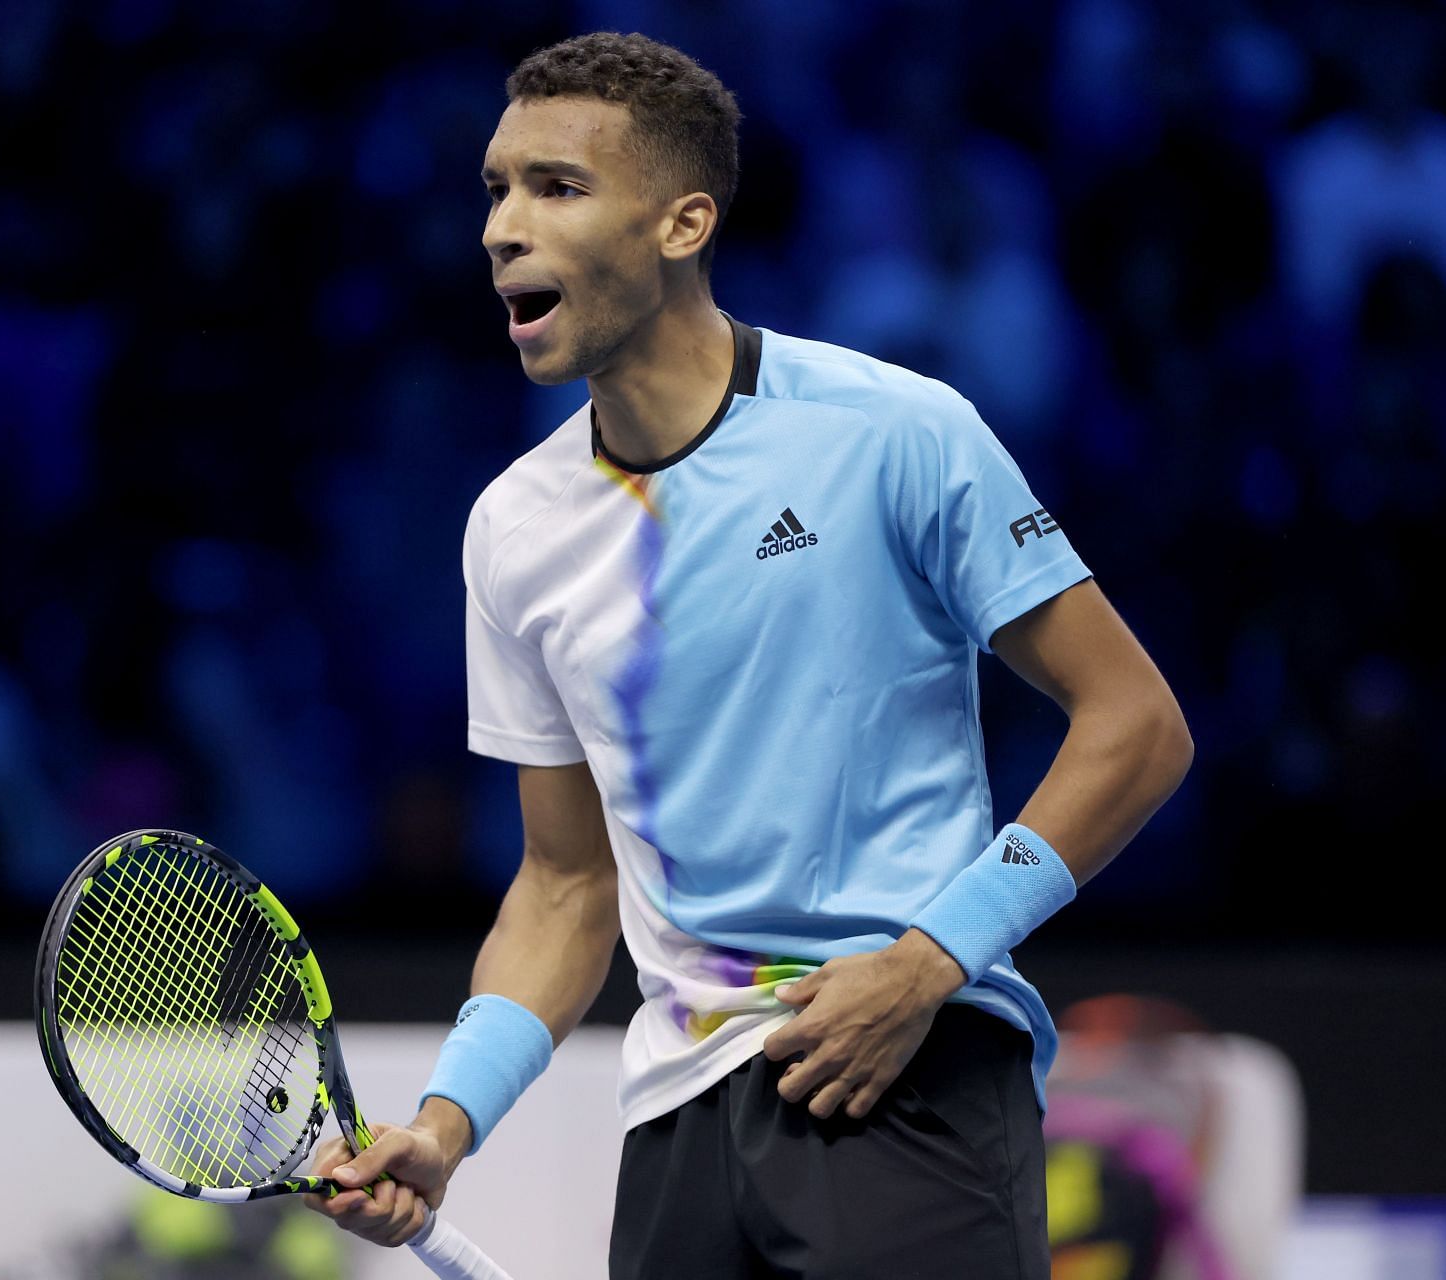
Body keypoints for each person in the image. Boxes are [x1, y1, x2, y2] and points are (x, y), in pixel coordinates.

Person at [304, 30, 1193, 1278]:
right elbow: (565, 886)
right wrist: (449, 1122)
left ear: (683, 223)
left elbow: (1136, 725)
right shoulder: (513, 530)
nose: (503, 227)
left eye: (555, 187)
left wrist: (930, 960)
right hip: (677, 1121)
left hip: (907, 1071)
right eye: (495, 191)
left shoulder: (896, 432)